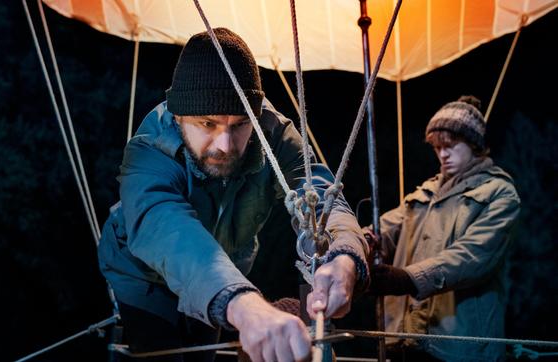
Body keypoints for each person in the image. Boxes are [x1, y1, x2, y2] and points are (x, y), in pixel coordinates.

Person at [97, 28, 369, 362]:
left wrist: (345, 256)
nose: (225, 145)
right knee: (159, 352)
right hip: (142, 274)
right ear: (178, 116)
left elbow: (320, 194)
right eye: (207, 124)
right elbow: (168, 230)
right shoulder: (147, 151)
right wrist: (246, 306)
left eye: (239, 125)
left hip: (226, 269)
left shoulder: (275, 135)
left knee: (204, 354)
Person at [365, 96, 521, 361]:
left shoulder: (500, 195)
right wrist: (354, 243)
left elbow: (471, 257)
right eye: (437, 147)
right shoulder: (425, 193)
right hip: (408, 341)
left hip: (461, 348)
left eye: (450, 145)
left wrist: (407, 278)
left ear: (474, 144)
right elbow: (386, 228)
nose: (443, 154)